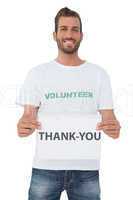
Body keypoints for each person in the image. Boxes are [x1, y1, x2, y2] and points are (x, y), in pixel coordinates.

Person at [16, 7, 121, 200]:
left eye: (74, 29)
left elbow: (110, 120)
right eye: (63, 29)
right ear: (55, 34)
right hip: (46, 168)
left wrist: (113, 127)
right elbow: (27, 118)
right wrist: (23, 126)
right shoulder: (37, 74)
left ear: (81, 35)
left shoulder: (98, 74)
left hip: (86, 170)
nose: (69, 34)